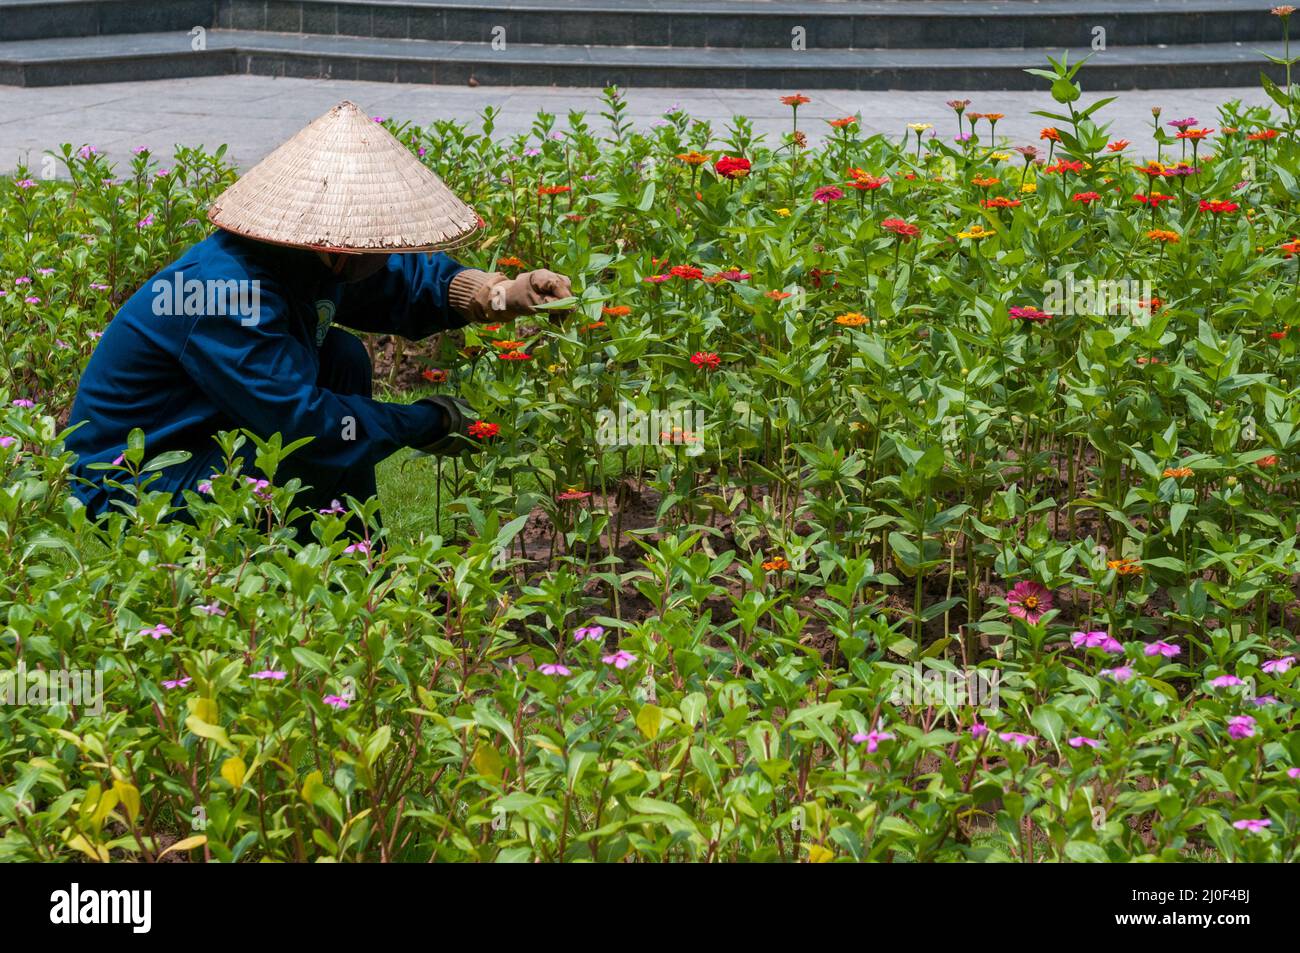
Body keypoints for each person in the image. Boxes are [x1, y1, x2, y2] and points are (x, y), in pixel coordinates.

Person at [65, 100, 570, 522]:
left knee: (342, 357)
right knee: (304, 446)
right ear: (339, 249)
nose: (388, 254)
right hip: (133, 479)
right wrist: (426, 423)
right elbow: (305, 424)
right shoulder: (225, 291)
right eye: (378, 245)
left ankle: (349, 566)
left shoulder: (307, 257)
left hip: (202, 435)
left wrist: (501, 294)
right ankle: (305, 581)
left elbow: (402, 282)